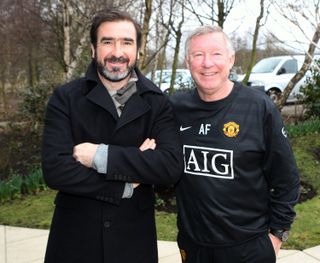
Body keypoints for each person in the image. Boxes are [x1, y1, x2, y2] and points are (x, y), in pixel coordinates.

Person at [41, 9, 183, 263]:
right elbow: (56, 170)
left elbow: (169, 166)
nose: (117, 52)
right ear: (94, 49)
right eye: (108, 41)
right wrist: (126, 183)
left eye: (126, 42)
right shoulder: (66, 98)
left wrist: (99, 156)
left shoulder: (158, 103)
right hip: (75, 240)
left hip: (133, 242)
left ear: (139, 51)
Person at [170, 25, 300, 263]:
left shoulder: (259, 108)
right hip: (193, 246)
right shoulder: (175, 108)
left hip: (248, 248)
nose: (207, 63)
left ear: (230, 60)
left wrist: (277, 236)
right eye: (198, 55)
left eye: (216, 54)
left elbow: (287, 180)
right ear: (188, 62)